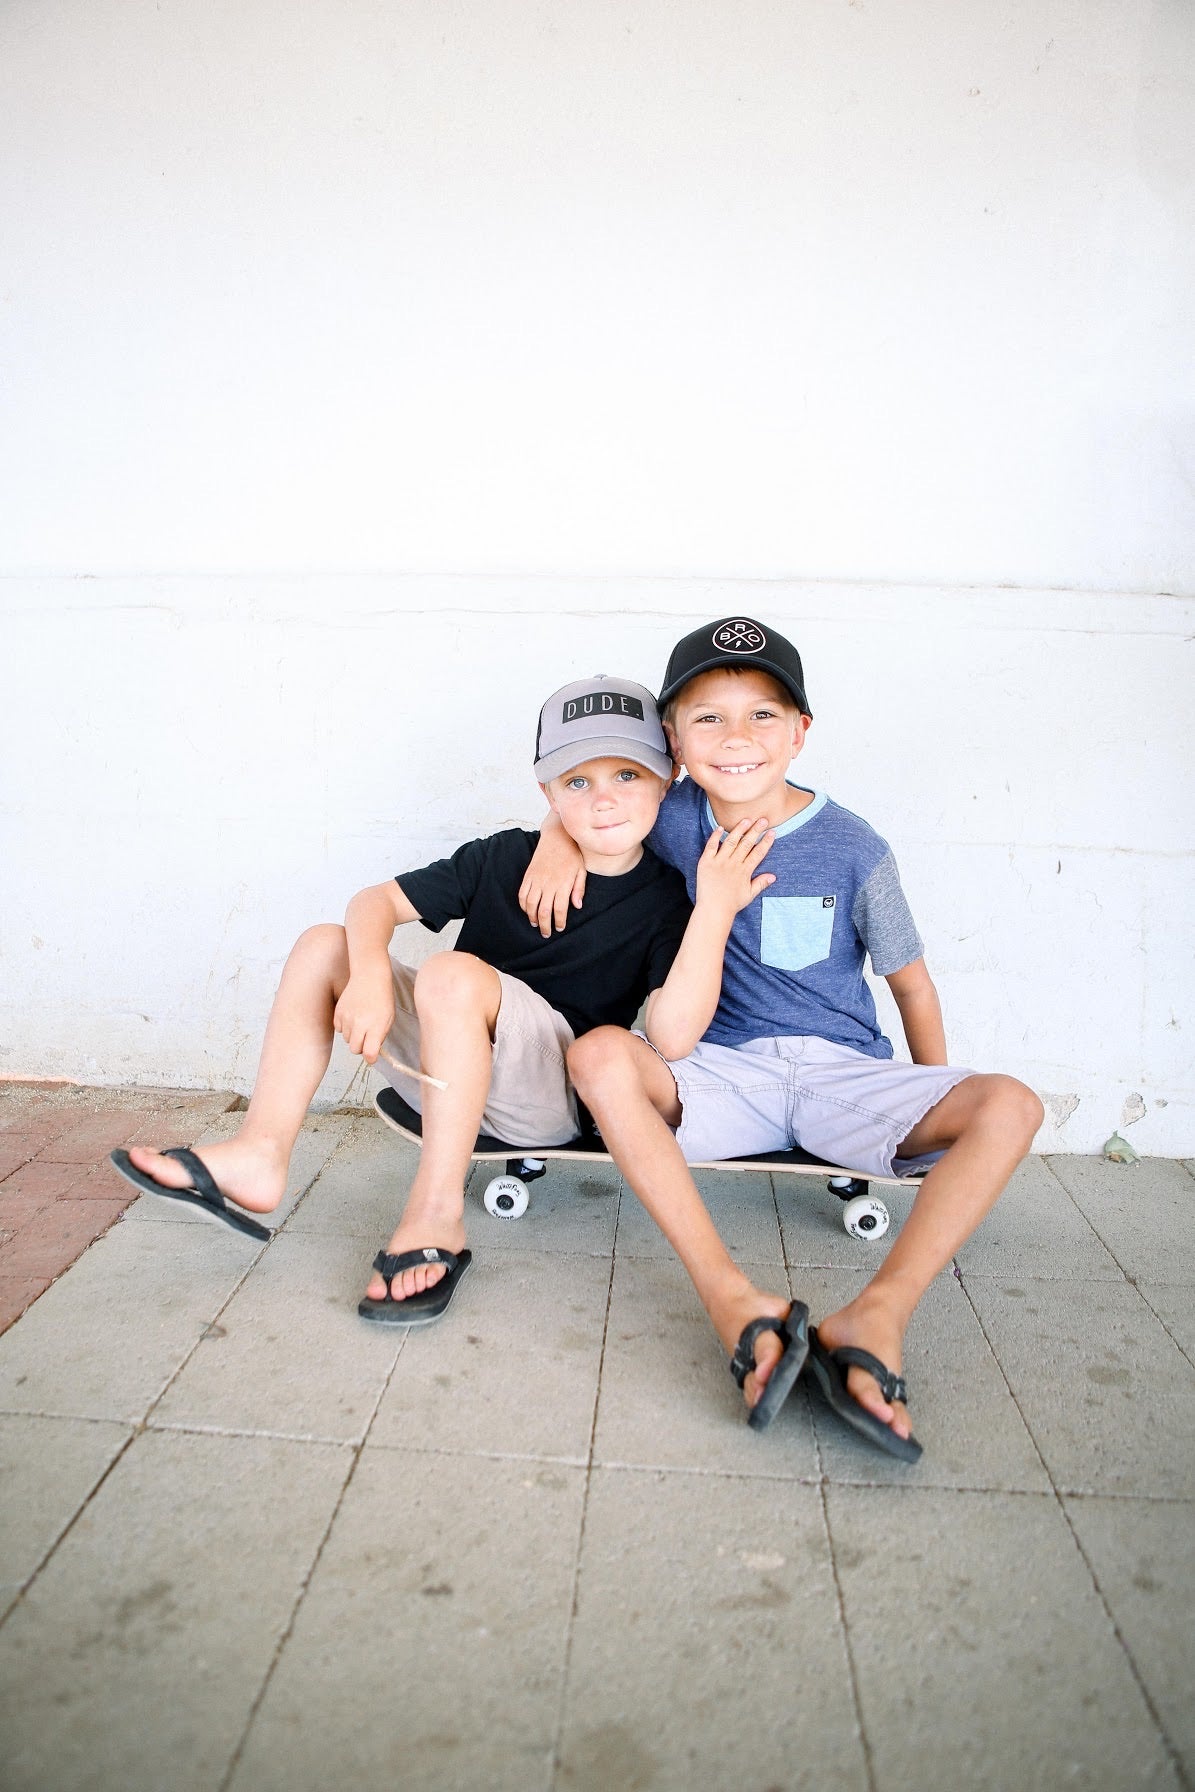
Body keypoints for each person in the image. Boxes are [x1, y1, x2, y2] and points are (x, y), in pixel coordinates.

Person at [109, 673, 781, 1338]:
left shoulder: (666, 896)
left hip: (548, 1098)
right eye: (577, 783)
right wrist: (369, 975)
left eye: (627, 775)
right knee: (324, 946)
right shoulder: (504, 856)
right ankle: (261, 1152)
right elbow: (373, 902)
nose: (603, 800)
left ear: (667, 777)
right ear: (547, 793)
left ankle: (435, 1213)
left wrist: (711, 908)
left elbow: (672, 1029)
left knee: (452, 974)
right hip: (448, 1071)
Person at [519, 617, 1044, 1459]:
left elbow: (910, 984)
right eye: (708, 718)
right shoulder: (673, 815)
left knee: (1011, 1104)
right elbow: (594, 805)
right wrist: (552, 840)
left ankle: (875, 1317)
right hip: (719, 1071)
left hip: (841, 1073)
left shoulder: (854, 847)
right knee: (598, 1052)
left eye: (762, 715)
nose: (736, 738)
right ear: (673, 743)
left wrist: (929, 1100)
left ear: (799, 732)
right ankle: (733, 1300)